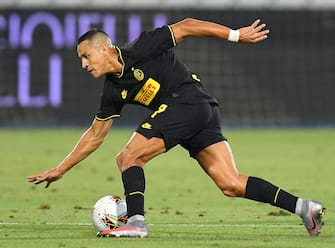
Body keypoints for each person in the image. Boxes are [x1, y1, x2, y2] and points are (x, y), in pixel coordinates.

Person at [27, 18, 325, 238]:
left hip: (190, 102)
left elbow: (187, 26)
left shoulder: (143, 46)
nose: (83, 64)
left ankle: (137, 223)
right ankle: (304, 208)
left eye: (85, 56)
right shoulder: (112, 91)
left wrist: (235, 35)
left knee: (128, 157)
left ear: (104, 49)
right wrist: (61, 169)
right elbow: (95, 135)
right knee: (230, 183)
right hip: (198, 112)